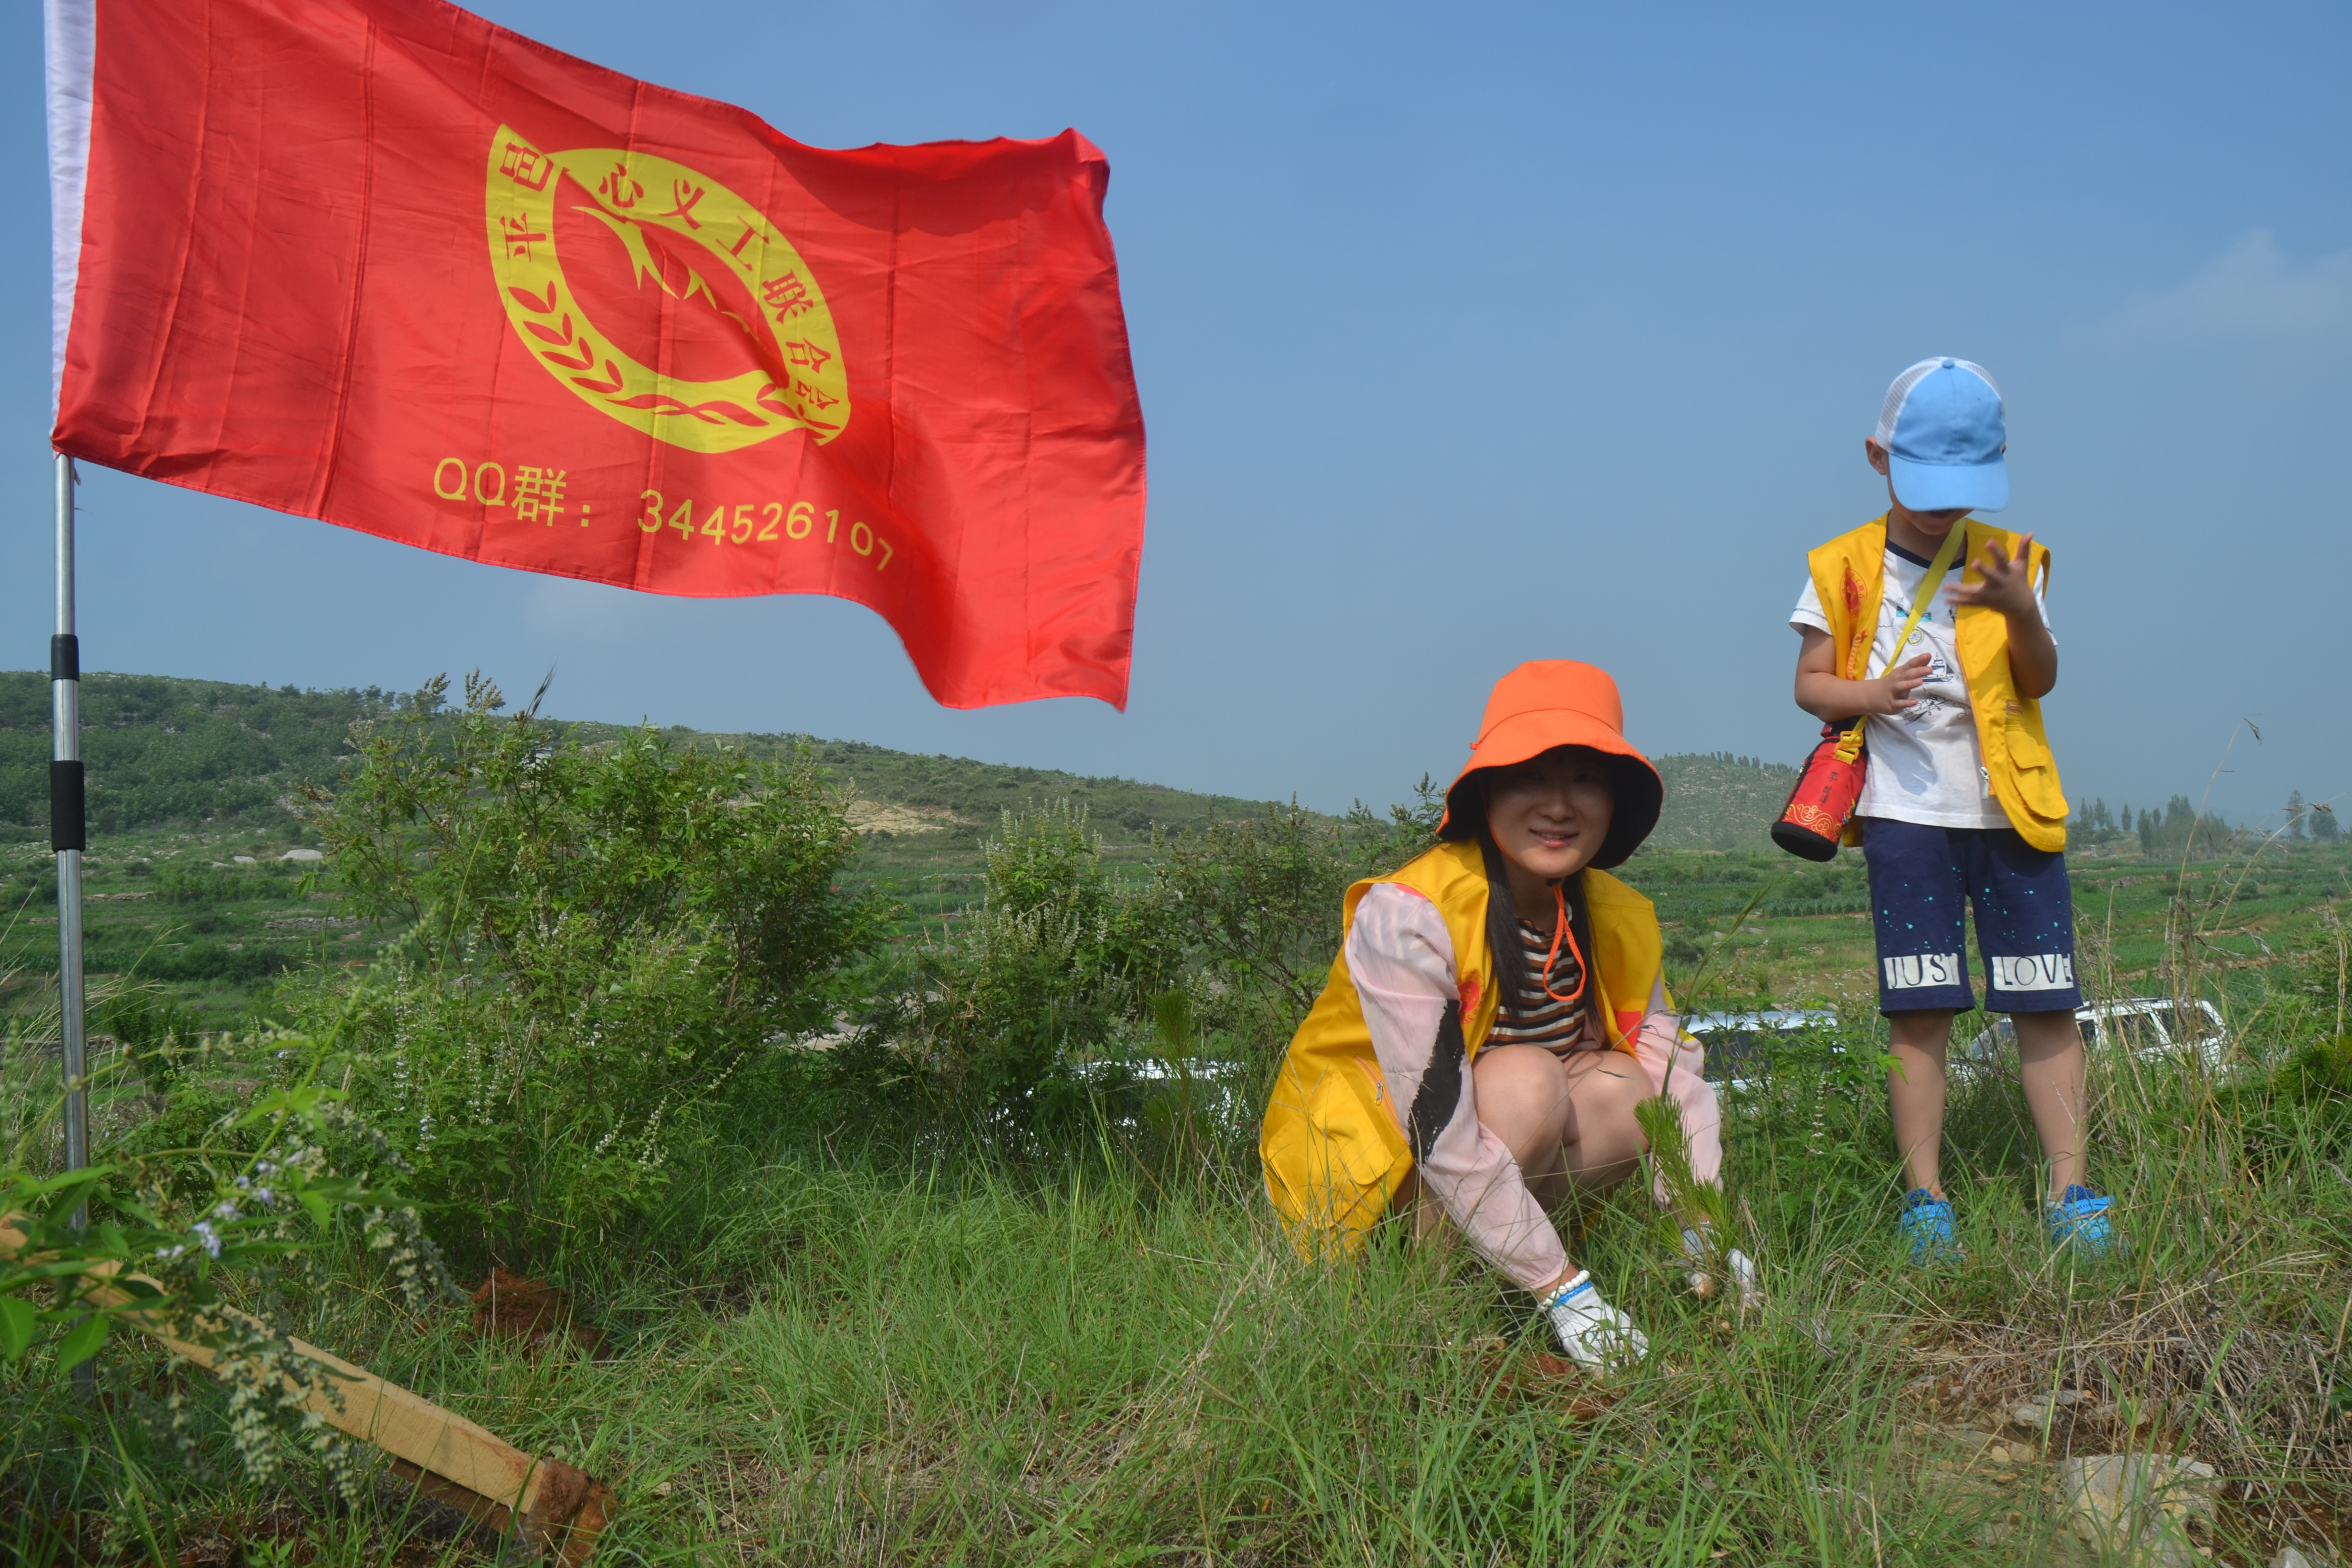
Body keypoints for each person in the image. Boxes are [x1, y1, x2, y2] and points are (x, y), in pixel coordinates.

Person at [1259, 660, 1755, 1370]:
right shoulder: (1410, 916)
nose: (1558, 805)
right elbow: (1439, 1128)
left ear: (1614, 799)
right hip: (1381, 1178)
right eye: (1530, 776)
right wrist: (1567, 1291)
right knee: (1528, 1079)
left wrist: (1701, 1227)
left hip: (1491, 1163)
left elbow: (1675, 1073)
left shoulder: (1613, 914)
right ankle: (1416, 1304)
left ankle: (1494, 1285)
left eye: (1585, 778)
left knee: (1627, 1092)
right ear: (1487, 791)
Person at [1788, 357, 2113, 1260]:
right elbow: (1811, 685)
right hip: (1906, 819)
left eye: (1961, 490)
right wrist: (1873, 695)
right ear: (1876, 457)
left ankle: (2071, 1189)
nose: (1941, 509)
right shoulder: (1841, 567)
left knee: (2045, 1004)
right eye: (1925, 486)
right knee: (1920, 1009)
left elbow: (2040, 680)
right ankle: (1926, 1199)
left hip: (2012, 816)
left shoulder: (2015, 560)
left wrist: (2020, 612)